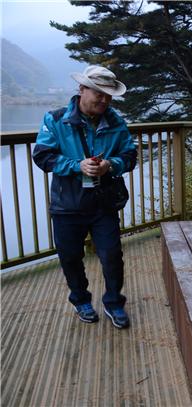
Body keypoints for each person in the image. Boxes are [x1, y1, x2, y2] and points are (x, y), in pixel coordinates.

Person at [32, 65, 137, 329]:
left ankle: (114, 303)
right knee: (70, 257)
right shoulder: (55, 119)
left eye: (108, 94)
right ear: (81, 89)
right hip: (67, 204)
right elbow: (42, 156)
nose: (104, 99)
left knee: (112, 255)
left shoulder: (115, 121)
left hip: (103, 203)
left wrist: (110, 165)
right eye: (98, 92)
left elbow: (130, 156)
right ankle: (81, 301)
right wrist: (76, 166)